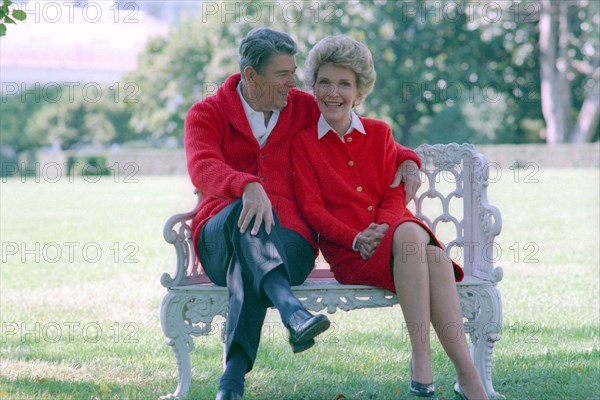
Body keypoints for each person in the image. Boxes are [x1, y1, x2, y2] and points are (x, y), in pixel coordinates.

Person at [184, 28, 421, 400]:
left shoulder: (302, 107)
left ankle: (232, 379)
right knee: (242, 217)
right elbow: (203, 167)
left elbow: (362, 134)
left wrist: (408, 159)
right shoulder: (207, 113)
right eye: (283, 74)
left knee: (249, 259)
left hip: (288, 243)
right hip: (221, 238)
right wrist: (247, 185)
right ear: (251, 76)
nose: (293, 83)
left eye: (293, 72)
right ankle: (292, 310)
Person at [291, 35, 489, 400]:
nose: (333, 92)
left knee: (429, 251)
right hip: (352, 254)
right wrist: (356, 238)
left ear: (359, 92)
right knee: (423, 247)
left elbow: (394, 193)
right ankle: (438, 365)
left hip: (397, 239)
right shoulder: (303, 143)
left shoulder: (380, 133)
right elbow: (313, 210)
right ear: (313, 86)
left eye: (344, 84)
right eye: (324, 82)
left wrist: (381, 228)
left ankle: (461, 375)